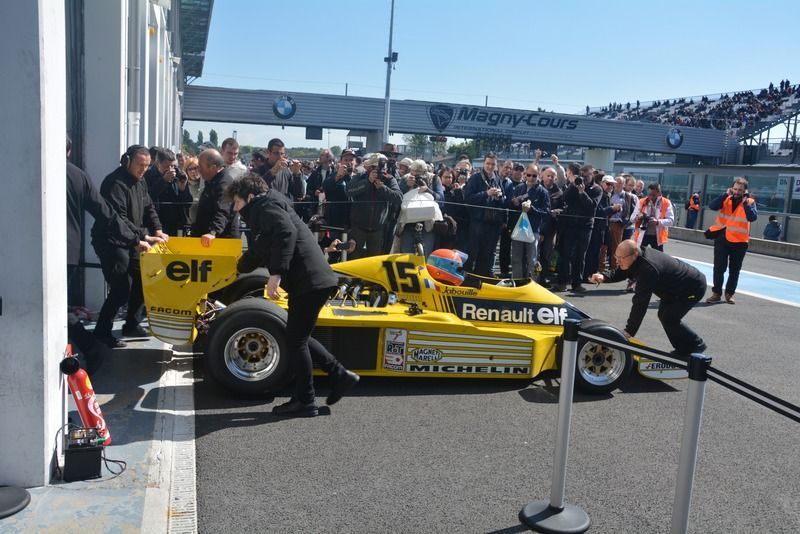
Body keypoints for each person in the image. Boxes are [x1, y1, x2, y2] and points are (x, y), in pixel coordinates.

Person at [228, 173, 359, 417]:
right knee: (298, 336)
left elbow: (286, 233)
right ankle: (340, 375)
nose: (235, 209)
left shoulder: (265, 208)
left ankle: (306, 401)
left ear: (250, 196)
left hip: (310, 280)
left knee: (296, 339)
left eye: (236, 203)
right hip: (313, 280)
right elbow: (258, 250)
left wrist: (276, 274)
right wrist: (233, 269)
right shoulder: (265, 207)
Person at [91, 145, 168, 348]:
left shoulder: (141, 182)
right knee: (121, 289)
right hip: (111, 242)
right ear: (127, 161)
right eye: (139, 165)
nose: (143, 170)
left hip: (131, 239)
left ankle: (132, 324)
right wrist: (142, 238)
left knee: (145, 278)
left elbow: (149, 207)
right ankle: (101, 332)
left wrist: (157, 230)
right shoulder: (114, 184)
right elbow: (118, 220)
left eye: (146, 166)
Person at [590, 240, 707, 357]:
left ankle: (696, 345)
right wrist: (604, 276)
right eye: (616, 257)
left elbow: (640, 303)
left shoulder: (648, 269)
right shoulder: (635, 257)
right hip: (672, 289)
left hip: (692, 288)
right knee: (664, 316)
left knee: (669, 317)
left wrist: (629, 331)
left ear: (635, 254)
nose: (617, 261)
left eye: (621, 258)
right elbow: (623, 270)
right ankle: (683, 349)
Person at [705, 177, 758, 304]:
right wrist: (724, 195)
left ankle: (729, 294)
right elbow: (712, 206)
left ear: (745, 190)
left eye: (740, 190)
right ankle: (716, 293)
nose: (737, 192)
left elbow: (752, 217)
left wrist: (745, 204)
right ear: (731, 188)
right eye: (735, 189)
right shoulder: (726, 198)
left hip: (740, 241)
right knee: (719, 267)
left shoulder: (750, 202)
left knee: (734, 270)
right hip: (722, 238)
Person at [346, 153, 403, 258]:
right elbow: (349, 191)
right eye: (374, 167)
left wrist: (383, 188)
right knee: (354, 258)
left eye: (381, 167)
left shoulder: (389, 179)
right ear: (369, 167)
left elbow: (399, 198)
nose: (379, 171)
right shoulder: (360, 176)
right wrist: (367, 182)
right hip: (358, 228)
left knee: (374, 260)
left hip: (377, 229)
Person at [463, 153, 506, 278]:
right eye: (488, 163)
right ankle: (467, 278)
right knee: (473, 252)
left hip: (492, 223)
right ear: (484, 164)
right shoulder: (475, 178)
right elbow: (468, 199)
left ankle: (480, 279)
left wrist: (499, 197)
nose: (490, 166)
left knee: (487, 254)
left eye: (493, 164)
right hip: (478, 221)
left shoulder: (497, 178)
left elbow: (503, 200)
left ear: (496, 165)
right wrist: (486, 194)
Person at [192, 149, 240, 246]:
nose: (199, 170)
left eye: (201, 166)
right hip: (207, 239)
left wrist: (213, 232)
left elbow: (223, 210)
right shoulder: (213, 180)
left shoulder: (224, 184)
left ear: (213, 168)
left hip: (220, 241)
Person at [509, 164, 549, 279]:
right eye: (529, 175)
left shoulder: (543, 192)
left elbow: (546, 213)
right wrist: (514, 203)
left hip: (533, 229)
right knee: (516, 258)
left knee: (532, 259)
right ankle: (517, 281)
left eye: (534, 176)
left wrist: (532, 209)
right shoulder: (519, 188)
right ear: (525, 175)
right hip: (519, 228)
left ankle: (533, 283)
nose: (531, 178)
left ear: (538, 176)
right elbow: (511, 209)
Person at [632, 183, 674, 252]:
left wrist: (657, 222)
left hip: (657, 237)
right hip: (642, 234)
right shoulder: (642, 201)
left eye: (653, 195)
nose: (651, 197)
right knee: (639, 257)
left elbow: (671, 221)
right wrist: (638, 217)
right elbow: (632, 218)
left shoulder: (666, 202)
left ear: (659, 193)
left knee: (659, 259)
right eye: (649, 194)